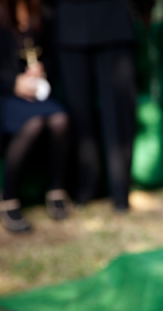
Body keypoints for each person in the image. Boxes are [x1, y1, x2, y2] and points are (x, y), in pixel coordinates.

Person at [0, 0, 71, 233]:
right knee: (33, 123)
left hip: (31, 91)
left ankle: (56, 189)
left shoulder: (40, 8)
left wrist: (41, 69)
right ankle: (7, 197)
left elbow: (50, 53)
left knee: (60, 120)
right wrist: (13, 84)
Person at [54, 0, 137, 212]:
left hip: (112, 20)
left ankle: (119, 190)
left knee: (117, 113)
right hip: (71, 24)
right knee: (78, 112)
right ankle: (86, 188)